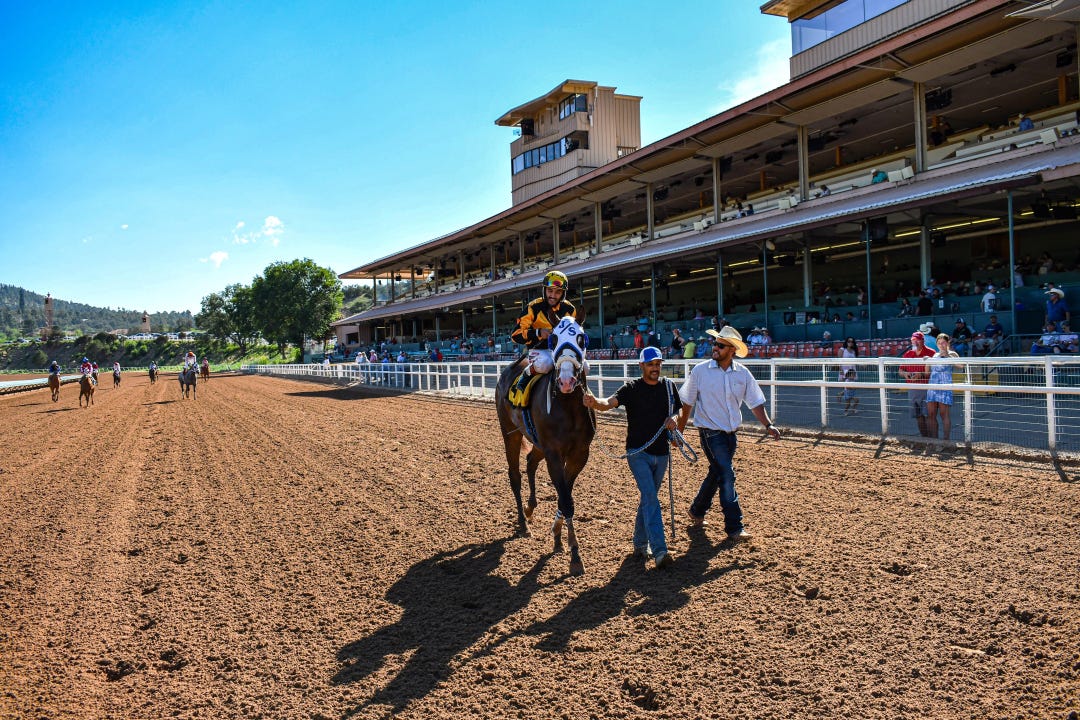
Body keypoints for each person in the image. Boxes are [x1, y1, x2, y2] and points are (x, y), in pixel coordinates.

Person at [676, 326, 781, 541]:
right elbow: (686, 403)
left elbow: (755, 402)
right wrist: (679, 432)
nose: (715, 347)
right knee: (727, 475)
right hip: (709, 432)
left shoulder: (743, 374)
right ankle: (734, 526)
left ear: (732, 349)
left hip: (731, 435)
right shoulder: (700, 371)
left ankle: (696, 510)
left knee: (717, 474)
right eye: (715, 343)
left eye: (720, 345)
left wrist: (768, 425)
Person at [583, 347, 683, 569]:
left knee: (649, 499)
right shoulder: (631, 388)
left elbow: (679, 410)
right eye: (650, 364)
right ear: (641, 366)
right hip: (637, 453)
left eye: (657, 364)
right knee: (650, 497)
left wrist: (674, 418)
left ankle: (639, 544)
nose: (655, 368)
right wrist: (594, 403)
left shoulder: (668, 387)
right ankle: (660, 551)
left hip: (662, 453)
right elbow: (608, 403)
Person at [509, 270, 577, 394]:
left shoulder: (570, 309)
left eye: (558, 292)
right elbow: (515, 335)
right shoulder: (533, 307)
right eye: (550, 291)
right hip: (538, 351)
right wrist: (538, 333)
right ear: (544, 290)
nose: (553, 295)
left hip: (561, 351)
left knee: (586, 366)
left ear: (563, 293)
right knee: (546, 363)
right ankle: (527, 373)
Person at [899, 331, 936, 440]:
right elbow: (900, 370)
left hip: (927, 388)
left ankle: (932, 439)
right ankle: (924, 439)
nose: (915, 342)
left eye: (917, 340)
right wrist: (905, 374)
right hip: (912, 389)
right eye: (913, 340)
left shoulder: (931, 353)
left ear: (922, 341)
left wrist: (921, 375)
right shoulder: (908, 354)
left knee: (929, 415)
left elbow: (935, 372)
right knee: (918, 415)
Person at [926, 333, 960, 450]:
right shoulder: (934, 355)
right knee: (931, 414)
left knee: (944, 414)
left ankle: (946, 440)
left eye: (944, 342)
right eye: (939, 343)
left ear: (948, 343)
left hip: (945, 387)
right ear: (936, 344)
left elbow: (961, 365)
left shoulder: (952, 354)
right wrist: (926, 362)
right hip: (932, 387)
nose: (941, 345)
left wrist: (947, 356)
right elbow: (927, 373)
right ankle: (934, 440)